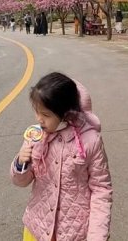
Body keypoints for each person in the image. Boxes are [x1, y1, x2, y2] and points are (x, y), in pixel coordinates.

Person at [10, 72, 112, 241]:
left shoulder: (90, 141)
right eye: (37, 112)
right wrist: (21, 163)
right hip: (37, 228)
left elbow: (101, 189)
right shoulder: (36, 136)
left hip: (74, 232)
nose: (39, 119)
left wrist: (97, 236)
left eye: (46, 115)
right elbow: (21, 181)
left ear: (65, 113)